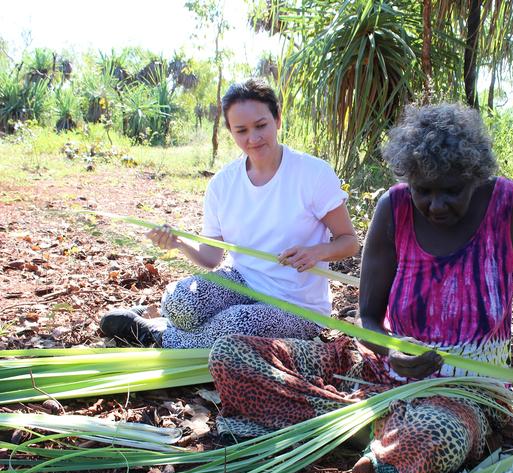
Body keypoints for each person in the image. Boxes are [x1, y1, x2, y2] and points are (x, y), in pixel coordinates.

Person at [207, 103, 513, 473]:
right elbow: (369, 316)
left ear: (475, 177)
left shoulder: (510, 207)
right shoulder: (393, 208)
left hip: (466, 395)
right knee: (230, 355)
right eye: (423, 191)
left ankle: (357, 430)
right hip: (378, 375)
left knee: (433, 433)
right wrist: (389, 348)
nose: (435, 205)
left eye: (451, 191)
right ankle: (372, 429)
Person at [100, 78, 359, 348]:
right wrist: (177, 241)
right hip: (242, 282)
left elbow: (348, 241)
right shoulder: (223, 183)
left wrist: (316, 252)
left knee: (235, 323)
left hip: (297, 306)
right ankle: (170, 324)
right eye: (241, 130)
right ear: (230, 132)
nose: (253, 138)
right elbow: (211, 258)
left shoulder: (313, 174)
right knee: (181, 301)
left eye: (261, 126)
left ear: (278, 119)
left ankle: (155, 334)